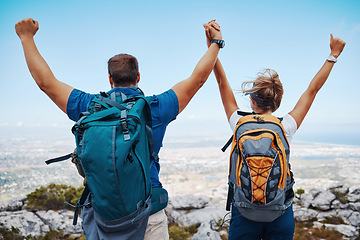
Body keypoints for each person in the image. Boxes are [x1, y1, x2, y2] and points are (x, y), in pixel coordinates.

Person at [15, 18, 224, 239]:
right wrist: (215, 43)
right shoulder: (154, 108)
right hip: (149, 213)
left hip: (106, 215)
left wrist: (26, 37)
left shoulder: (89, 105)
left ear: (110, 79)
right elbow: (198, 79)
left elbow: (45, 82)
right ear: (138, 77)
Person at [204, 20, 346, 240]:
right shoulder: (285, 126)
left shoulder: (238, 123)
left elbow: (222, 82)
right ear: (278, 102)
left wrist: (213, 44)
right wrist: (333, 54)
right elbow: (312, 90)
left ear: (251, 101)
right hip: (279, 211)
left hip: (243, 211)